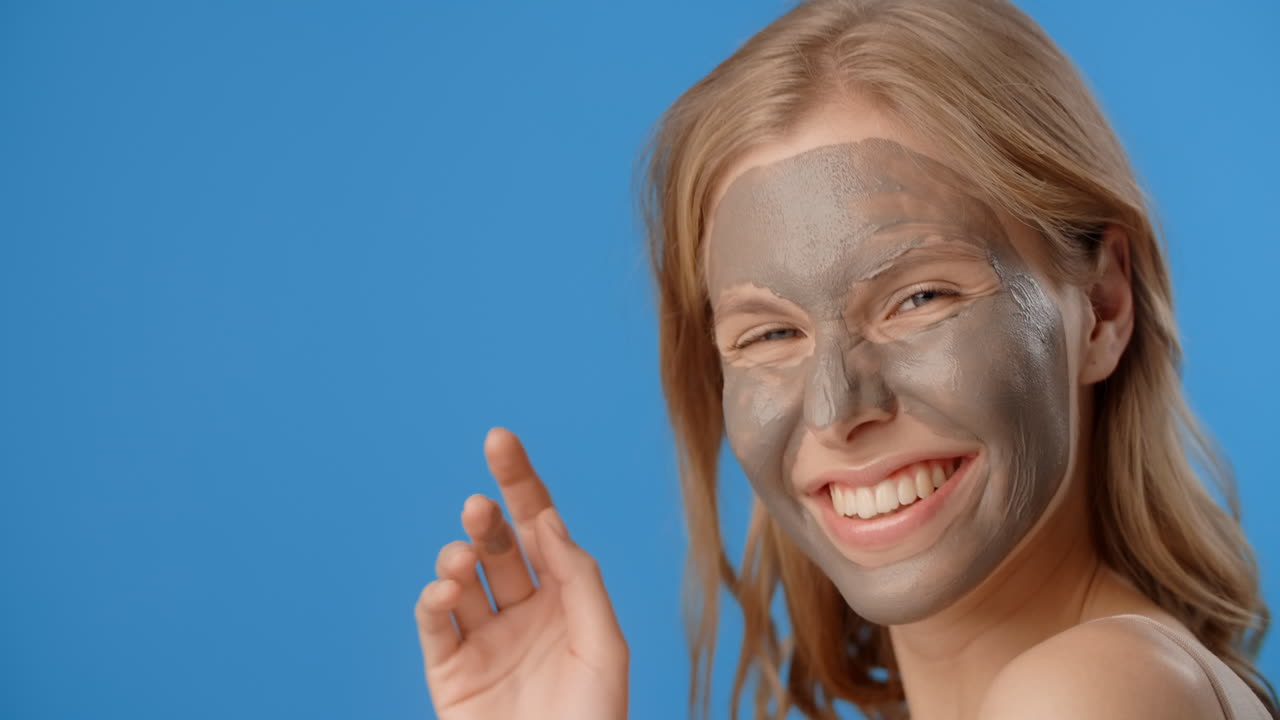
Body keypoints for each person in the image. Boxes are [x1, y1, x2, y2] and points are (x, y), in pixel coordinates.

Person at [412, 0, 1278, 718]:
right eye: (770, 334)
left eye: (918, 299)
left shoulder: (1093, 691)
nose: (835, 408)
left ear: (1102, 307)